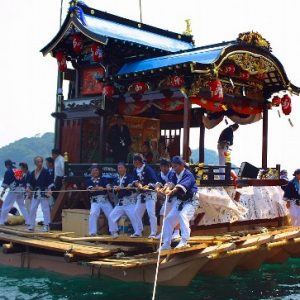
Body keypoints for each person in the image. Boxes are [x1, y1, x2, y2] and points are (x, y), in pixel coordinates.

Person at [159, 156, 199, 250]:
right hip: (180, 201)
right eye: (172, 167)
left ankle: (184, 241)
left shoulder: (188, 175)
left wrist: (171, 192)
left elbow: (178, 188)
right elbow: (171, 184)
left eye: (175, 166)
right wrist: (166, 189)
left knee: (182, 215)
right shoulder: (174, 174)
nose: (174, 169)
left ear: (181, 165)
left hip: (191, 201)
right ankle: (166, 244)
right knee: (168, 219)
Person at [109, 162, 140, 236]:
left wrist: (122, 188)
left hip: (129, 202)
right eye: (118, 168)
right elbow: (113, 187)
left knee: (134, 217)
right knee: (111, 216)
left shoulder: (130, 177)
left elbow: (130, 186)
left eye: (121, 167)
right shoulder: (116, 178)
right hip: (120, 203)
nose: (120, 169)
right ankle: (114, 232)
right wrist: (114, 188)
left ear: (125, 169)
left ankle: (138, 233)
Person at [86, 165, 118, 237]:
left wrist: (107, 187)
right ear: (91, 172)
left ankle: (114, 231)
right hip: (95, 201)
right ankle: (92, 232)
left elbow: (107, 185)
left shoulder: (103, 179)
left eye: (96, 170)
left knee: (111, 214)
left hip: (104, 200)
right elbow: (90, 189)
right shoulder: (88, 181)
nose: (95, 172)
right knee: (93, 213)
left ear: (99, 171)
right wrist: (97, 188)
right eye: (93, 170)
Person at [132, 154, 158, 238]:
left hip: (150, 194)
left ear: (139, 161)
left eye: (136, 161)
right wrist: (137, 184)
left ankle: (153, 232)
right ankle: (139, 231)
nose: (134, 163)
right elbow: (134, 180)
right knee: (136, 212)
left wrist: (148, 186)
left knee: (151, 213)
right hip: (142, 194)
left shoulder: (148, 169)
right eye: (134, 161)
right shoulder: (135, 170)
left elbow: (154, 180)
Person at [155, 159, 180, 240]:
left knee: (176, 213)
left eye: (166, 166)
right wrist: (158, 188)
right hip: (168, 197)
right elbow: (158, 183)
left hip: (177, 195)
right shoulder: (160, 174)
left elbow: (170, 183)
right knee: (163, 213)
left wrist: (165, 189)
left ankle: (176, 232)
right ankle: (163, 232)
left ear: (169, 166)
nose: (164, 168)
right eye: (162, 166)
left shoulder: (172, 173)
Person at [26, 156, 53, 232]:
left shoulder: (46, 172)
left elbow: (49, 182)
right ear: (35, 163)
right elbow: (30, 183)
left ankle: (47, 225)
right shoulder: (33, 172)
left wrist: (49, 190)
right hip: (36, 193)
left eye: (41, 161)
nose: (40, 163)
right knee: (32, 209)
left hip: (44, 192)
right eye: (38, 162)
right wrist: (28, 189)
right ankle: (31, 225)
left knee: (45, 209)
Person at [0, 160, 30, 226]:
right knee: (22, 206)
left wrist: (3, 192)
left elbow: (6, 184)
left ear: (6, 165)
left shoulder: (9, 171)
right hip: (21, 190)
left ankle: (2, 221)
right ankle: (28, 221)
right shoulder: (18, 170)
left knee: (6, 206)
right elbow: (23, 181)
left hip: (14, 190)